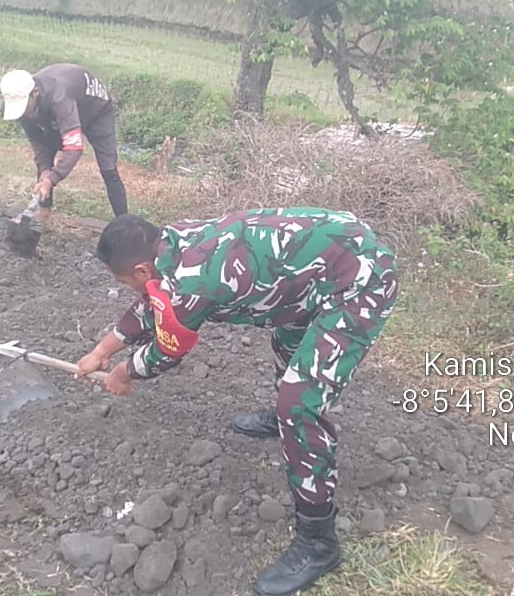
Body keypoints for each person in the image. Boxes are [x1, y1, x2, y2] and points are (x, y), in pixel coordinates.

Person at [76, 208, 399, 596]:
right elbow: (155, 303)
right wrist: (102, 350)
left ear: (143, 270)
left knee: (300, 405)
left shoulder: (191, 282)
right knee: (288, 338)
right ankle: (285, 418)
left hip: (359, 284)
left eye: (126, 281)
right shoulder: (174, 243)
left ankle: (319, 542)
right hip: (319, 272)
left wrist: (123, 372)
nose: (131, 287)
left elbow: (168, 348)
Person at [0, 64, 128, 223]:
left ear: (35, 93)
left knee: (108, 169)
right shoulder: (21, 104)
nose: (23, 112)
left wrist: (52, 179)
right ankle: (43, 212)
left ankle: (124, 224)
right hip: (65, 111)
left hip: (96, 111)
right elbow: (38, 141)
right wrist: (45, 170)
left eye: (25, 106)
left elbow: (74, 149)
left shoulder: (59, 98)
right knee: (45, 161)